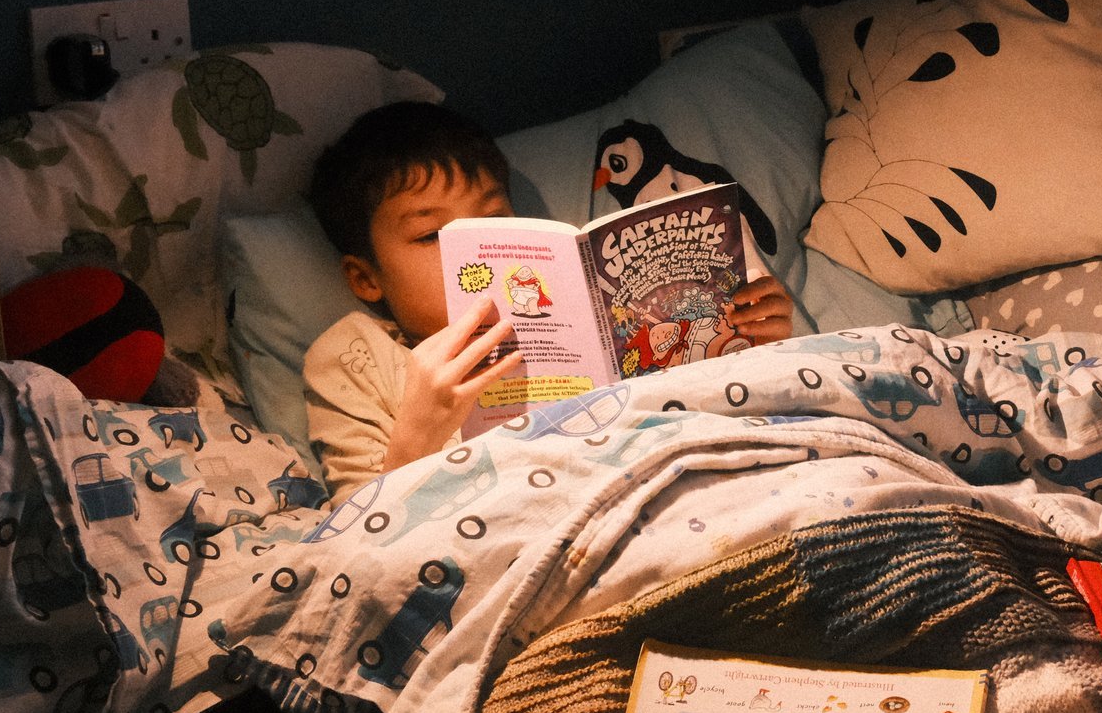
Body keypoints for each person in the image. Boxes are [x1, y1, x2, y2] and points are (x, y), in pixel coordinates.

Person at [303, 101, 795, 501]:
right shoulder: (356, 357)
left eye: (494, 219)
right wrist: (416, 436)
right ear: (366, 278)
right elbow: (356, 536)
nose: (471, 250)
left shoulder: (585, 312)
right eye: (432, 235)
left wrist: (753, 337)